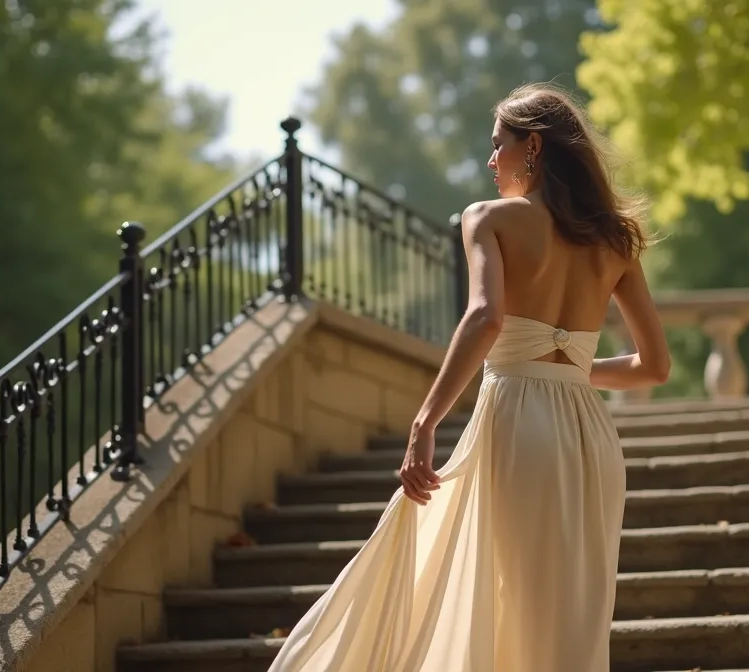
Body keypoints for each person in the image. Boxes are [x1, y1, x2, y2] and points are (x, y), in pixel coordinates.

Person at [268, 82, 671, 672]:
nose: (490, 161)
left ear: (531, 146)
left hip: (520, 425)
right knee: (573, 618)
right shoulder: (615, 241)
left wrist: (425, 419)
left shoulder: (490, 219)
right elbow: (654, 367)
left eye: (497, 145)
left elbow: (486, 317)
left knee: (514, 604)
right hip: (593, 440)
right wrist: (575, 372)